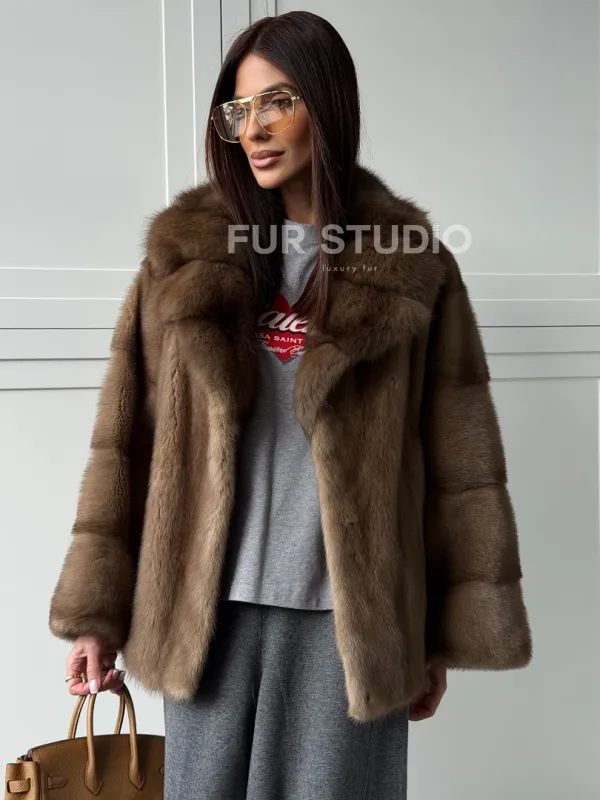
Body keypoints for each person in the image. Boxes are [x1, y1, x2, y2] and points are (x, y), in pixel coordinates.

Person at [48, 10, 533, 799]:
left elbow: (457, 461)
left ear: (328, 104)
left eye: (278, 101)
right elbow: (125, 442)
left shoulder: (413, 269)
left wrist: (436, 638)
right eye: (238, 109)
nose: (255, 128)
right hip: (204, 617)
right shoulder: (180, 261)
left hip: (349, 624)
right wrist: (96, 614)